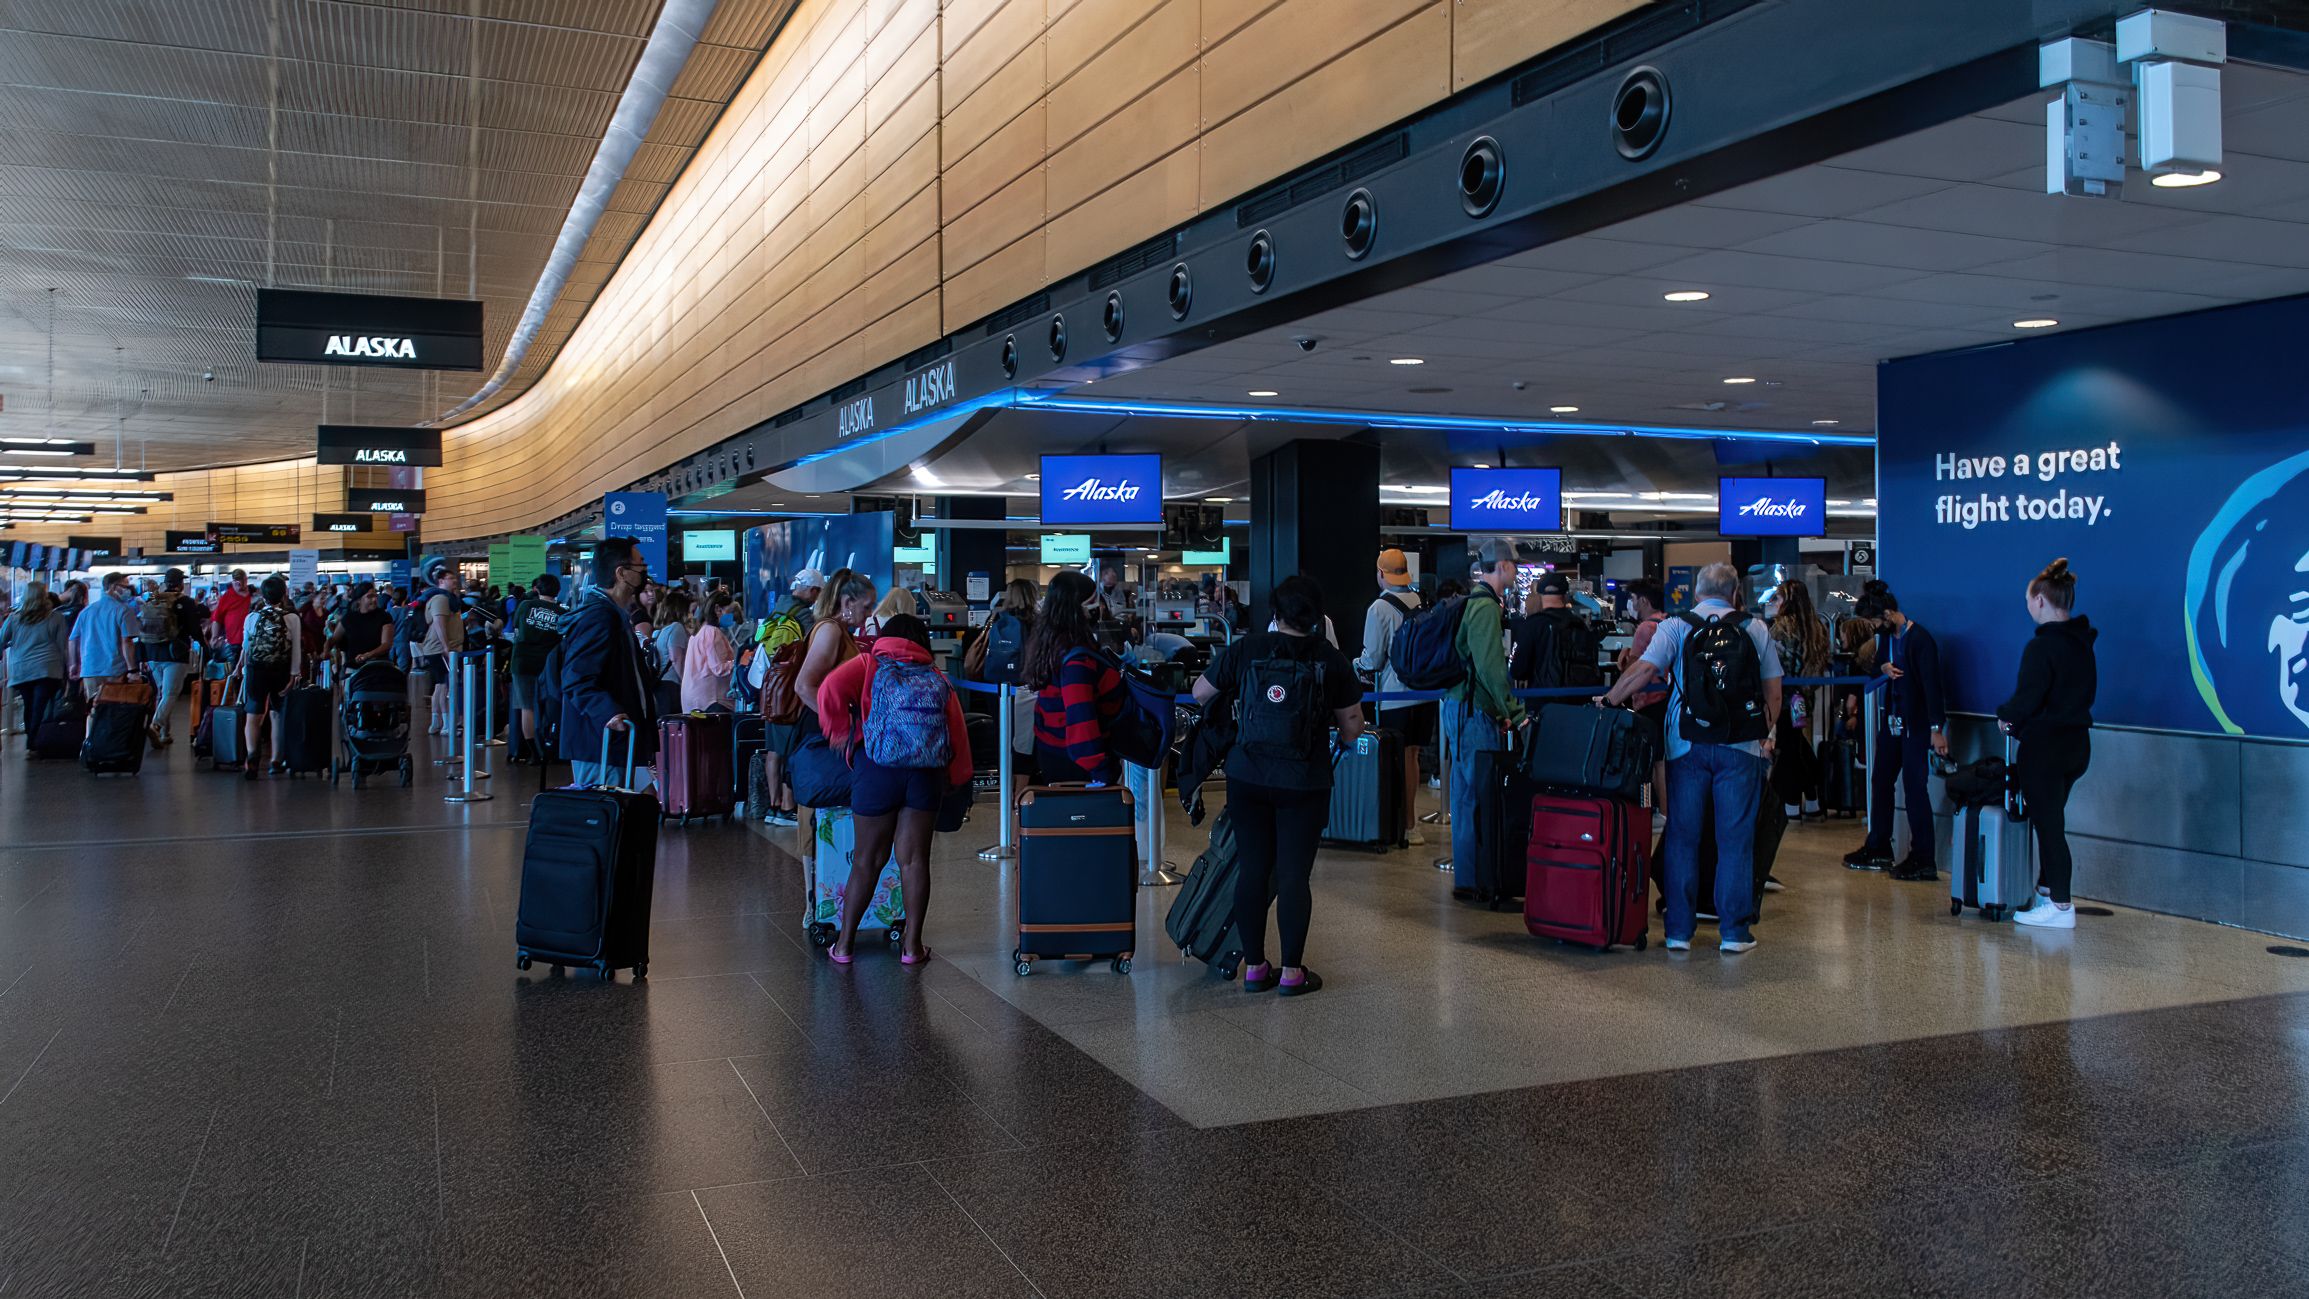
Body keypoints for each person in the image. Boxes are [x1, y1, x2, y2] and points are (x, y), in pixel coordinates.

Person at [1194, 575, 1366, 996]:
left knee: (1252, 869)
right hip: (1304, 781)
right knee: (1293, 875)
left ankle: (1254, 967)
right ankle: (1292, 973)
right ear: (1317, 616)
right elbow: (1351, 729)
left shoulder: (1247, 649)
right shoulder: (1332, 660)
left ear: (1275, 612)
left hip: (1247, 775)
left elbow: (1200, 692)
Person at [1601, 562, 1782, 954]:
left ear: (1697, 593)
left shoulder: (1676, 626)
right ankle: (1734, 933)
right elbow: (1774, 692)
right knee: (1736, 840)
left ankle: (1678, 931)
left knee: (1683, 836)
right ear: (1735, 594)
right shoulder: (1755, 629)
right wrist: (1764, 735)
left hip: (1685, 745)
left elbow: (1645, 670)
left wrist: (1609, 700)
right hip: (1741, 748)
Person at [815, 613, 970, 966]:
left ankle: (844, 946)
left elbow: (828, 690)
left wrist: (843, 733)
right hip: (925, 774)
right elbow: (956, 731)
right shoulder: (936, 677)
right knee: (914, 862)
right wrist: (957, 778)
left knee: (867, 860)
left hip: (877, 770)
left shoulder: (869, 664)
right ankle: (912, 948)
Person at [2000, 558, 2097, 930]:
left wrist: (2004, 714)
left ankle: (2059, 905)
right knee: (2053, 821)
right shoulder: (2082, 644)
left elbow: (2027, 699)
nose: (2027, 607)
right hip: (2077, 746)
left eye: (2028, 599)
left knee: (2049, 828)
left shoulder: (2040, 648)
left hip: (2045, 748)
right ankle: (2046, 889)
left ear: (2040, 600)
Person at [1841, 579, 1949, 881]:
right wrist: (1884, 670)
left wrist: (1936, 728)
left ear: (1888, 614)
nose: (1874, 628)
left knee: (1915, 788)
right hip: (1892, 721)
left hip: (1915, 723)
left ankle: (1923, 856)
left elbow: (1932, 686)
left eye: (1876, 621)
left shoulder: (1919, 640)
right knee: (1881, 780)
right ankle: (1878, 844)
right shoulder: (1887, 639)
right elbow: (1875, 672)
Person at [1445, 539, 1527, 899]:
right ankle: (1476, 878)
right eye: (1514, 565)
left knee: (1466, 794)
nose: (1517, 570)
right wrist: (1513, 710)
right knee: (1474, 795)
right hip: (1472, 711)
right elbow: (1491, 668)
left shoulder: (1477, 602)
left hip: (1463, 706)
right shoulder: (1485, 607)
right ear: (1503, 566)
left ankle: (1470, 875)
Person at [559, 537, 660, 789]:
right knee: (606, 813)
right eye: (639, 565)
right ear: (621, 573)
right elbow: (576, 677)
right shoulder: (600, 618)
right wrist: (609, 712)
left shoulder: (614, 615)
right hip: (602, 741)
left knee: (623, 811)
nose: (644, 571)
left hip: (616, 739)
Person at [1355, 549, 1429, 847]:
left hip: (1393, 695)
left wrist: (1356, 664)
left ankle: (1398, 824)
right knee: (1413, 756)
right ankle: (1412, 825)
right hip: (1425, 692)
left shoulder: (1379, 608)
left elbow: (1372, 658)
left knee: (1394, 759)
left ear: (1381, 574)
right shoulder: (1422, 602)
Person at [1023, 570, 1125, 785]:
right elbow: (1080, 716)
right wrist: (1100, 770)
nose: (1101, 607)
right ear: (1079, 607)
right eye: (1095, 600)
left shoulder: (1052, 643)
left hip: (1054, 752)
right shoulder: (1076, 659)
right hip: (1079, 763)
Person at [1768, 579, 1832, 825]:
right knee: (1798, 744)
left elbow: (1775, 665)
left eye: (1777, 598)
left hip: (1784, 696)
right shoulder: (1817, 627)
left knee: (1789, 748)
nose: (1774, 603)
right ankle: (1813, 798)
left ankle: (1791, 803)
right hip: (1804, 696)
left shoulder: (1781, 628)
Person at [233, 575, 304, 779]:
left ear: (262, 596)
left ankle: (252, 759)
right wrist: (294, 674)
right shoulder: (291, 618)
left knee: (253, 716)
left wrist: (243, 670)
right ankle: (276, 760)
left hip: (256, 671)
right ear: (284, 594)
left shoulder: (252, 618)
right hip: (281, 670)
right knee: (277, 715)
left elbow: (246, 648)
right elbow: (296, 649)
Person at [1617, 578, 1671, 827]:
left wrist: (1624, 659)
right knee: (1665, 758)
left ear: (1644, 601)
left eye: (1633, 599)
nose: (1631, 603)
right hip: (1669, 699)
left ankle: (1658, 811)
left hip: (1649, 700)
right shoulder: (1670, 623)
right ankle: (1667, 810)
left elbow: (1636, 668)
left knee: (1653, 759)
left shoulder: (1644, 629)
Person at [132, 568, 207, 747]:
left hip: (152, 653)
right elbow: (194, 628)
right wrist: (204, 644)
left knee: (162, 693)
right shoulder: (185, 602)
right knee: (170, 693)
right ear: (181, 583)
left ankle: (165, 734)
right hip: (175, 654)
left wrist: (141, 657)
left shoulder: (153, 599)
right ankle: (156, 726)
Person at [1, 583, 70, 749]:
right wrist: (66, 668)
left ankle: (31, 739)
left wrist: (12, 643)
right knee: (40, 705)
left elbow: (2, 639)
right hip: (48, 667)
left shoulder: (14, 618)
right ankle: (33, 741)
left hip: (21, 668)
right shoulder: (56, 618)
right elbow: (62, 645)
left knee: (29, 703)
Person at [507, 575, 566, 763]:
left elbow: (516, 627)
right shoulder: (562, 613)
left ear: (537, 590)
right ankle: (546, 746)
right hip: (547, 663)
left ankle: (533, 752)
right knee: (546, 706)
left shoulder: (525, 606)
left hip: (523, 661)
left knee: (526, 707)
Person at [414, 556, 464, 736]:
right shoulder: (441, 599)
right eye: (451, 579)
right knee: (446, 686)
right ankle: (447, 724)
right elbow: (439, 624)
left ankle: (436, 722)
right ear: (441, 581)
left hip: (438, 648)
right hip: (441, 648)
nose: (455, 581)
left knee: (440, 685)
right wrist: (446, 648)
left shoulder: (447, 599)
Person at [68, 571, 141, 695]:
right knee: (114, 707)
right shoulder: (123, 611)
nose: (128, 590)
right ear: (113, 587)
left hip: (90, 669)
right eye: (125, 586)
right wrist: (132, 670)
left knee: (94, 709)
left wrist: (74, 664)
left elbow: (73, 639)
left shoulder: (87, 611)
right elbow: (127, 642)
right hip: (115, 670)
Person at [682, 594, 736, 711]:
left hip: (694, 699)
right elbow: (719, 668)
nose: (732, 616)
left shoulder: (699, 631)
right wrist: (739, 662)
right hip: (711, 700)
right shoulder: (712, 633)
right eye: (730, 611)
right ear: (717, 609)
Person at [330, 583, 395, 670]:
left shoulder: (384, 617)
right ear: (359, 600)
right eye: (370, 597)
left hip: (377, 666)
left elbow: (386, 644)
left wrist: (367, 655)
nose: (374, 599)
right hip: (353, 667)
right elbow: (335, 638)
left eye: (375, 596)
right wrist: (326, 647)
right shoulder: (349, 618)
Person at [652, 589, 692, 715]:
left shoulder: (660, 631)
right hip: (672, 685)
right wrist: (686, 684)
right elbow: (676, 659)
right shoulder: (677, 628)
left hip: (661, 684)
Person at [210, 570, 252, 661]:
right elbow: (217, 618)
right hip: (233, 643)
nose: (239, 584)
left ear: (246, 580)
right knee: (233, 670)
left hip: (251, 643)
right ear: (232, 581)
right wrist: (214, 637)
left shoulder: (254, 595)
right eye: (236, 582)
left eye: (242, 581)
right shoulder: (227, 596)